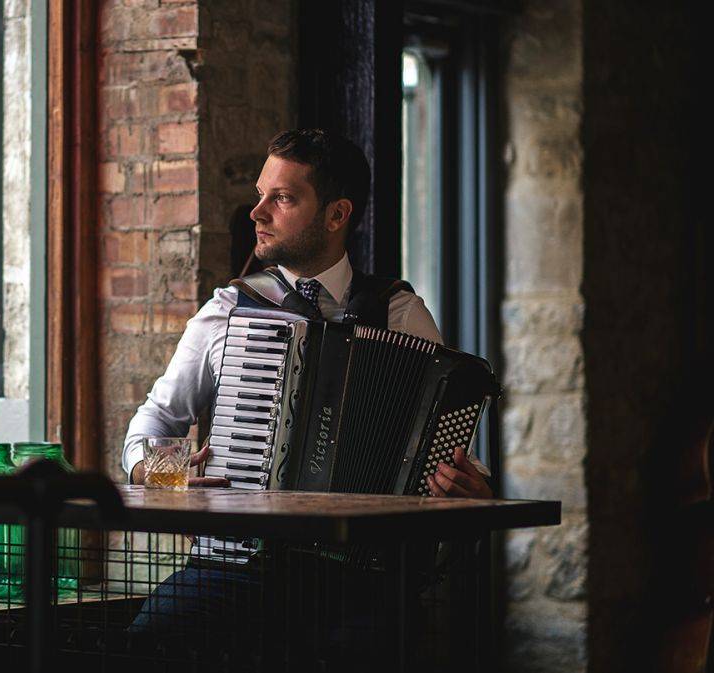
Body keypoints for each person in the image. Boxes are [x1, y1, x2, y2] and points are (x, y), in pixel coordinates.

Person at [121, 129, 492, 660]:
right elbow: (150, 424)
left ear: (337, 214)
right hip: (234, 565)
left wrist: (468, 487)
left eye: (283, 198)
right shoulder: (228, 310)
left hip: (357, 578)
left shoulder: (399, 313)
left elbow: (439, 453)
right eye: (260, 194)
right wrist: (156, 470)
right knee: (148, 642)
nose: (258, 212)